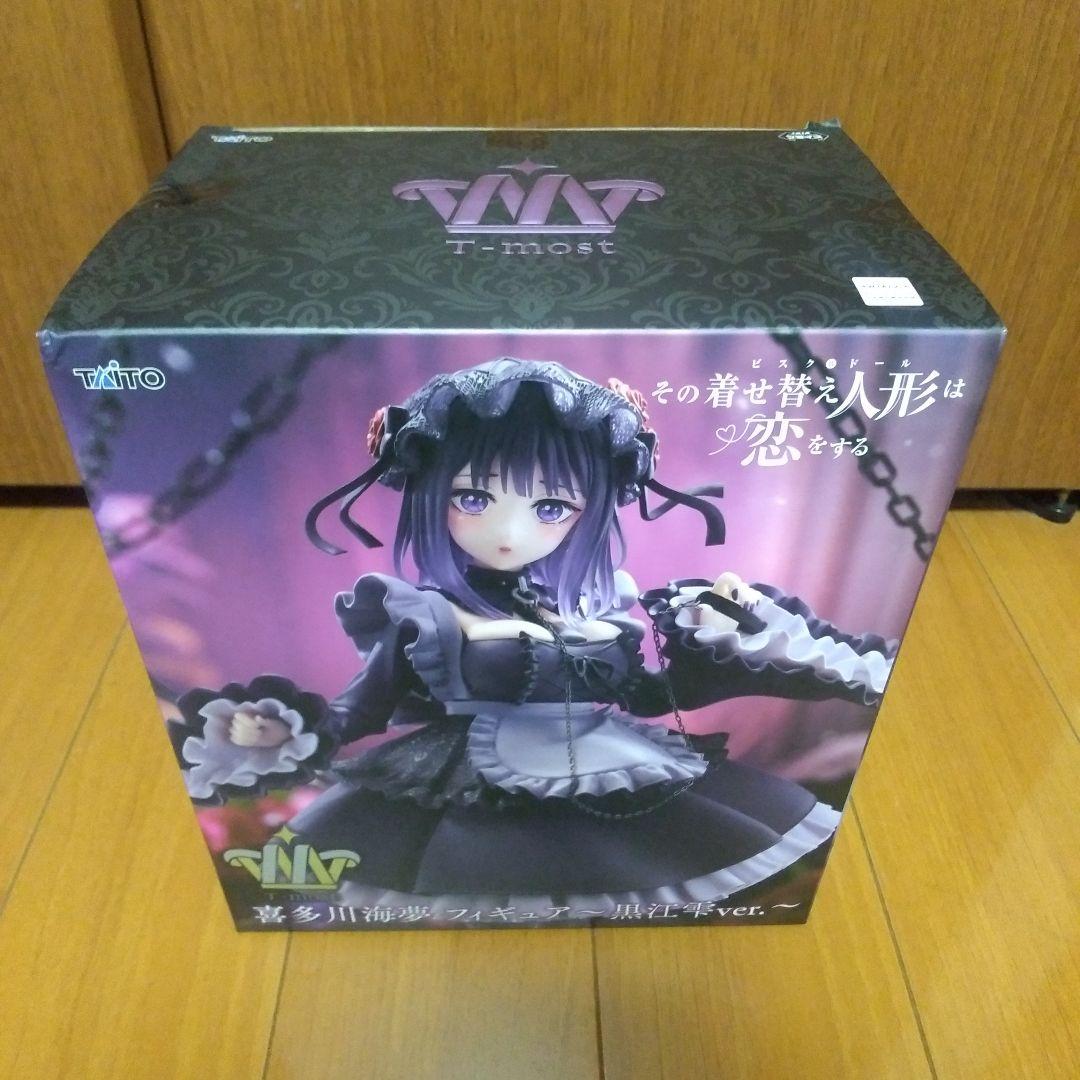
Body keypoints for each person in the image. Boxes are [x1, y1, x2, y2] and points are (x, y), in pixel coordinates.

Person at [172, 357, 894, 916]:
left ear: (588, 511)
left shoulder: (598, 605)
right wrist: (279, 738)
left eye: (551, 507)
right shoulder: (420, 613)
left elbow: (647, 696)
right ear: (432, 495)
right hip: (466, 791)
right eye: (473, 497)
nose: (509, 532)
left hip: (609, 768)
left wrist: (735, 652)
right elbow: (360, 708)